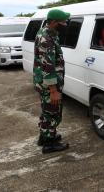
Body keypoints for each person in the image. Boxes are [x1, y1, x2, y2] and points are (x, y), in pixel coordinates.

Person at [34, 9, 70, 154]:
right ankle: (49, 144)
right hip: (49, 85)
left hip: (46, 83)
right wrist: (53, 90)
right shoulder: (46, 39)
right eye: (63, 22)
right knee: (53, 113)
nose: (65, 24)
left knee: (47, 111)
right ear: (54, 22)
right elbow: (47, 66)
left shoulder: (49, 33)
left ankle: (45, 136)